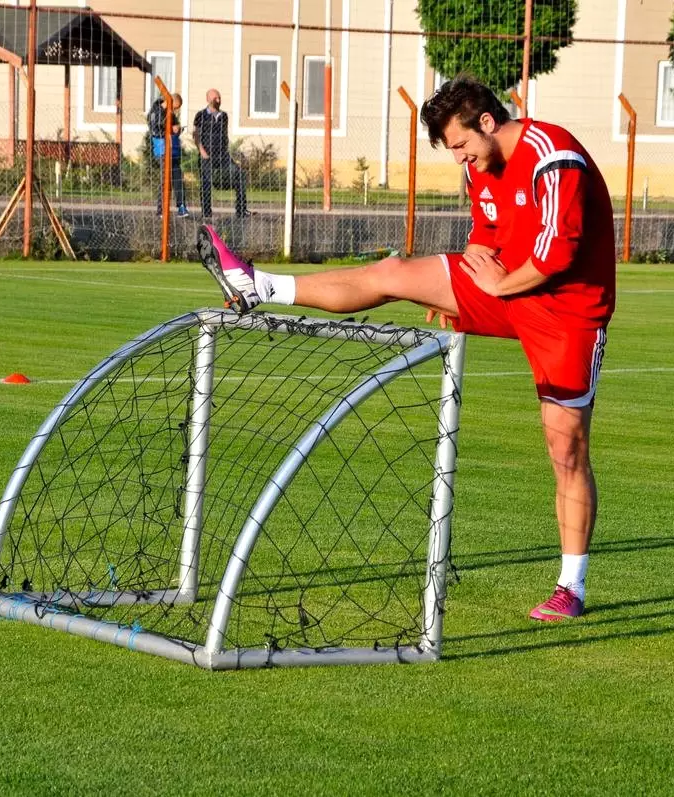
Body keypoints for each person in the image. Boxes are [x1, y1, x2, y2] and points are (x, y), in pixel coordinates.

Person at [196, 76, 616, 622]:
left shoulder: (553, 157)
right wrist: (460, 294)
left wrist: (489, 287)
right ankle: (261, 286)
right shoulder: (477, 166)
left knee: (566, 450)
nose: (460, 156)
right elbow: (484, 241)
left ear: (487, 123)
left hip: (567, 314)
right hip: (505, 286)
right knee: (391, 272)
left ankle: (571, 587)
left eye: (462, 144)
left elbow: (557, 256)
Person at [193, 89, 249, 219]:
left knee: (239, 174)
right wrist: (202, 151)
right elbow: (195, 135)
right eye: (215, 98)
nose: (218, 100)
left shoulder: (224, 116)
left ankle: (241, 210)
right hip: (206, 155)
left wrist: (229, 152)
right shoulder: (200, 115)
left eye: (219, 98)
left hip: (223, 155)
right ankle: (206, 213)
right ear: (208, 99)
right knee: (206, 182)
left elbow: (224, 136)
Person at [148, 92, 189, 218]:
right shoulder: (155, 112)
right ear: (170, 101)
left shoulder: (171, 113)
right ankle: (161, 210)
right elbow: (155, 130)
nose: (175, 111)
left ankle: (181, 206)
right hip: (162, 150)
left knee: (178, 178)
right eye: (175, 107)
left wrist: (178, 129)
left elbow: (174, 127)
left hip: (173, 149)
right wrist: (171, 129)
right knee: (165, 180)